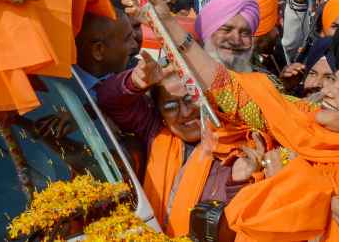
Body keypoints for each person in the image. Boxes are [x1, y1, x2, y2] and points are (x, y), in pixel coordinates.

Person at [125, 0, 339, 242]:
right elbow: (229, 88)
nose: (327, 92)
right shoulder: (304, 120)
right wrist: (170, 25)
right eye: (333, 80)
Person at [96, 53, 247, 237]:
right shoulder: (154, 131)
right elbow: (107, 100)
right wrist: (134, 82)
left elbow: (240, 220)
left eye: (189, 99)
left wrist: (238, 183)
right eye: (170, 107)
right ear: (159, 113)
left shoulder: (234, 144)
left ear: (207, 97)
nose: (184, 112)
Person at [74, 11, 139, 100]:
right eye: (127, 39)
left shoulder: (133, 77)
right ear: (98, 50)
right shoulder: (59, 89)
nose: (135, 45)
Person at [195, 0, 260, 73]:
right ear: (207, 33)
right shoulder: (182, 80)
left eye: (245, 33)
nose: (236, 41)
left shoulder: (266, 81)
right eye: (226, 30)